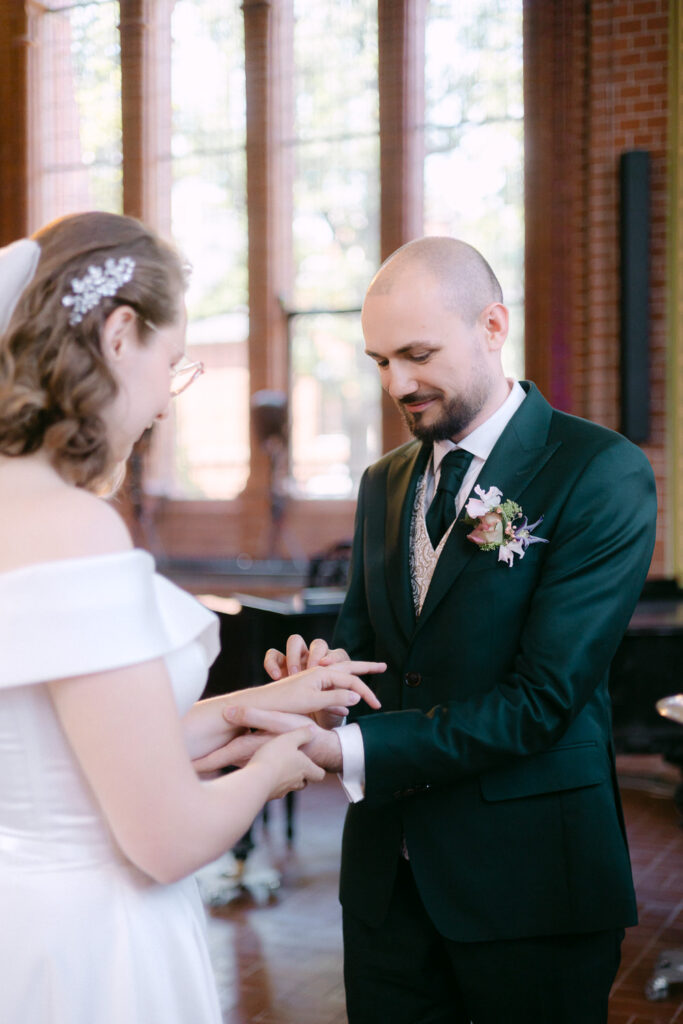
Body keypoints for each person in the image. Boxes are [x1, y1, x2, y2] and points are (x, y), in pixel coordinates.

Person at [220, 237, 658, 1024]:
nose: (397, 384)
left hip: (529, 885)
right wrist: (322, 684)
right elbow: (371, 655)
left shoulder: (597, 471)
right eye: (379, 361)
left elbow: (542, 699)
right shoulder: (382, 482)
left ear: (492, 326)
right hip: (387, 886)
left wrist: (345, 751)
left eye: (417, 354)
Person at [0, 211, 384, 1024]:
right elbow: (166, 837)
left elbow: (71, 751)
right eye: (171, 364)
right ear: (119, 332)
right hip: (91, 944)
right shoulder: (73, 526)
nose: (165, 406)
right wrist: (274, 768)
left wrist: (249, 711)